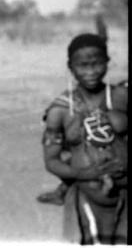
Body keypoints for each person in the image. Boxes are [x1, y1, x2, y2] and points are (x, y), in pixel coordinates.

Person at [41, 33, 127, 244]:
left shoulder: (122, 97)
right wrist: (84, 172)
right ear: (71, 67)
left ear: (107, 62)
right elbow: (51, 161)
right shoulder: (60, 110)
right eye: (82, 65)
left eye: (97, 64)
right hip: (90, 199)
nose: (90, 72)